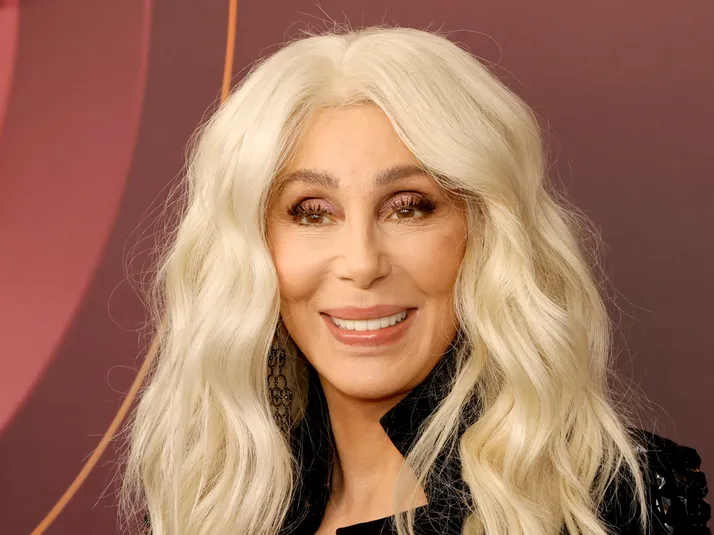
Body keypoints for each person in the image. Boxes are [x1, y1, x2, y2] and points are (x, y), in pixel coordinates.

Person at [120, 25, 710, 535]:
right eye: (312, 212)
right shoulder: (205, 509)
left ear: (482, 232)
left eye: (408, 207)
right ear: (254, 248)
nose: (362, 263)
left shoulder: (609, 504)